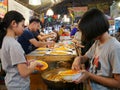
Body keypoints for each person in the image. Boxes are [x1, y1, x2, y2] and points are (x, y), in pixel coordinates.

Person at [72, 8, 120, 90]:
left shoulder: (114, 48)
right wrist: (78, 59)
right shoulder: (98, 42)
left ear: (94, 29)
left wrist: (90, 75)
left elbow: (118, 83)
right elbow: (86, 57)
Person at [0, 11, 41, 90]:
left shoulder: (5, 40)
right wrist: (35, 63)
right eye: (22, 25)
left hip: (11, 82)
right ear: (14, 23)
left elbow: (13, 64)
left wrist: (26, 62)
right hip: (19, 85)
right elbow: (24, 73)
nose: (24, 28)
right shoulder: (14, 45)